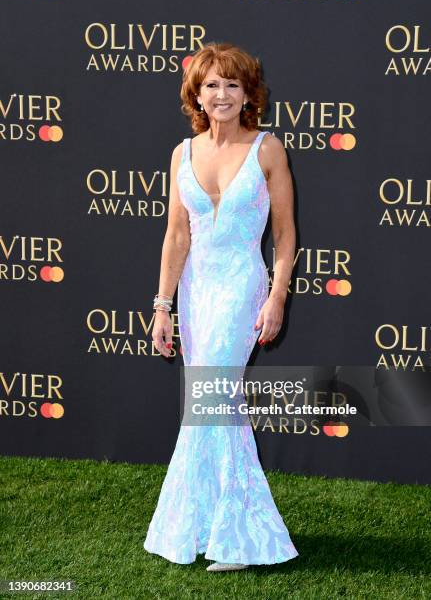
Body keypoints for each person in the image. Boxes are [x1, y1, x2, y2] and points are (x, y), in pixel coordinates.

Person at [144, 42, 298, 572]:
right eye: (212, 84)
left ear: (249, 92)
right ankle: (215, 526)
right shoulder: (181, 154)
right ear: (198, 94)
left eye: (233, 84)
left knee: (212, 397)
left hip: (240, 287)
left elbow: (284, 235)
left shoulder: (267, 149)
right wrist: (163, 307)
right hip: (196, 289)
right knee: (211, 405)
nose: (223, 93)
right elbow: (175, 235)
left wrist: (276, 296)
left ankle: (238, 536)